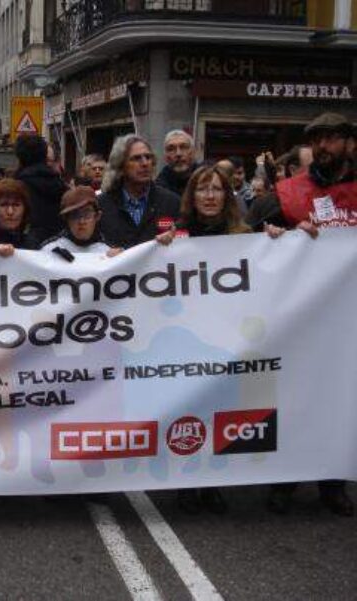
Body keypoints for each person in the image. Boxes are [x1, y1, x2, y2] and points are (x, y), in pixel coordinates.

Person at [251, 113, 355, 517]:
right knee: (293, 402)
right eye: (318, 140)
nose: (325, 147)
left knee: (342, 404)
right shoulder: (289, 192)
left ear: (349, 143)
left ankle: (333, 484)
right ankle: (284, 481)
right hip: (301, 322)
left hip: (348, 325)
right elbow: (251, 240)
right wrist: (273, 234)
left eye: (333, 138)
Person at [155, 164, 251, 515]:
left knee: (220, 412)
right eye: (202, 189)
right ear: (191, 196)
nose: (209, 196)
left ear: (227, 195)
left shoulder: (246, 235)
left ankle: (213, 483)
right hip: (186, 344)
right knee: (188, 412)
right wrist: (157, 250)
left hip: (227, 341)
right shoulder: (175, 237)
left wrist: (277, 239)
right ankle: (184, 481)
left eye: (216, 189)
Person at [97, 134, 180, 249]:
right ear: (121, 165)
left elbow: (186, 242)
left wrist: (175, 238)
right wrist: (104, 254)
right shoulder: (101, 205)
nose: (145, 163)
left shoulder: (171, 202)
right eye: (136, 158)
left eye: (148, 157)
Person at [14, 135, 68, 244]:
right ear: (45, 156)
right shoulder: (61, 184)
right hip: (59, 245)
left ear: (19, 157)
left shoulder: (17, 187)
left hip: (26, 246)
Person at [41, 186, 121, 259]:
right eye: (74, 215)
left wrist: (119, 260)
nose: (81, 221)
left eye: (87, 214)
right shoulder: (49, 251)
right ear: (66, 219)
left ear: (97, 216)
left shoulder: (110, 252)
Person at [155, 130, 198, 197]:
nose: (178, 154)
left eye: (183, 147)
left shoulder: (206, 179)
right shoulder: (159, 189)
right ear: (165, 157)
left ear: (193, 152)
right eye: (171, 149)